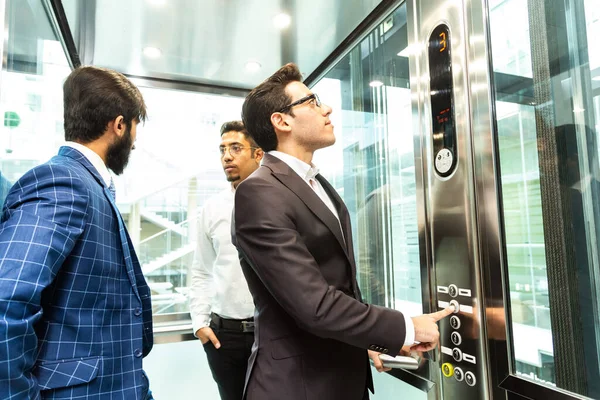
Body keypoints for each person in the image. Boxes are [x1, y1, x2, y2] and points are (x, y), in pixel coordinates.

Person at [233, 63, 454, 400]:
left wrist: (369, 341)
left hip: (338, 377)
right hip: (299, 386)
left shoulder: (316, 183)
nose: (326, 108)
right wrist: (405, 327)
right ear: (282, 121)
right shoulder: (258, 192)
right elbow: (314, 305)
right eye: (311, 102)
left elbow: (338, 286)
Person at [0, 66, 153, 399]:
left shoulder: (92, 186)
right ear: (120, 125)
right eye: (136, 126)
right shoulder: (63, 183)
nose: (136, 141)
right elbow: (5, 301)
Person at [189, 120, 263, 400]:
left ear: (258, 154)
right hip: (223, 338)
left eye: (235, 148)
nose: (227, 156)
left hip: (269, 334)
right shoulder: (212, 208)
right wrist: (200, 323)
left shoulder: (278, 203)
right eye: (222, 150)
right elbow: (202, 271)